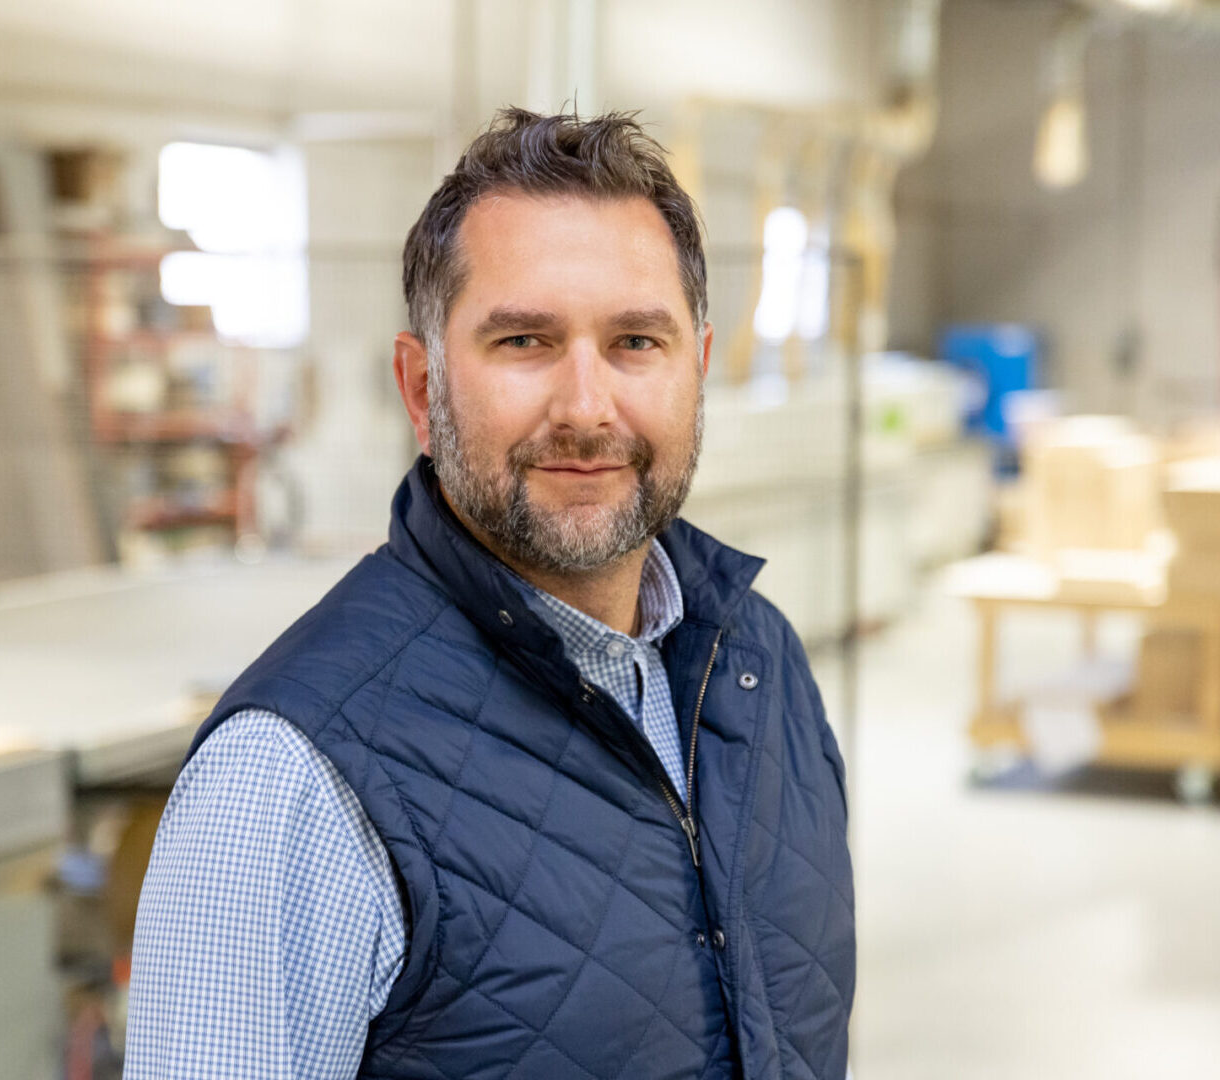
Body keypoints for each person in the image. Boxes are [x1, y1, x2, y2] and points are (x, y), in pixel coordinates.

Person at [126, 107, 854, 1080]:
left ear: (699, 370)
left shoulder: (759, 667)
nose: (586, 407)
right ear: (419, 387)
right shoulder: (290, 781)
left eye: (636, 342)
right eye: (523, 342)